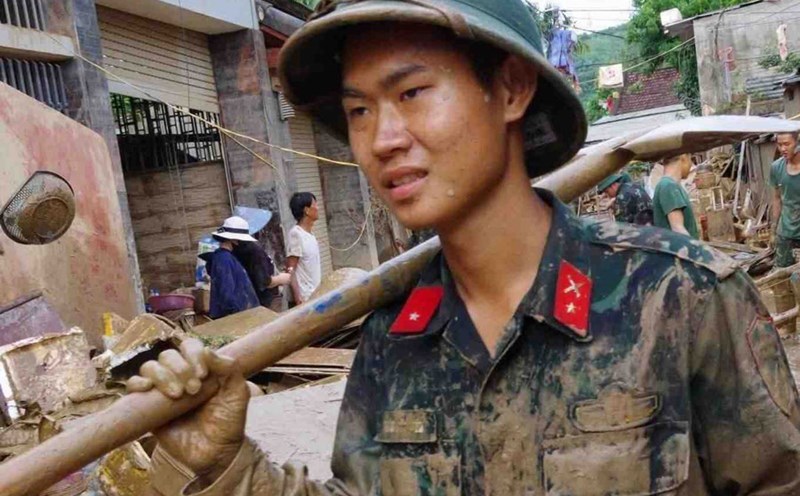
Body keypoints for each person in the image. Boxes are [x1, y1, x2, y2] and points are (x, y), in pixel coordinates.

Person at [131, 1, 800, 494]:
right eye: (360, 109)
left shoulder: (680, 299)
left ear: (510, 88)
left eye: (413, 92)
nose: (381, 138)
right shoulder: (393, 339)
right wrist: (224, 466)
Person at [203, 216, 260, 319]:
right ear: (234, 240)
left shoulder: (227, 258)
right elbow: (226, 294)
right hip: (236, 320)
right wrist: (237, 315)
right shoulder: (223, 259)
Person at [233, 239, 291, 312]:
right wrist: (281, 279)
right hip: (266, 300)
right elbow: (264, 282)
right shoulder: (253, 250)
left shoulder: (234, 251)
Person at [286, 192, 322, 305]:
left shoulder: (310, 234)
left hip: (316, 295)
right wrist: (298, 298)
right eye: (315, 204)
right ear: (307, 210)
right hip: (306, 299)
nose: (318, 208)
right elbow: (290, 269)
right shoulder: (296, 234)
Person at [652, 154, 699, 238]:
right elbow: (678, 229)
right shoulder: (668, 186)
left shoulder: (671, 185)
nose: (691, 164)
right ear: (684, 158)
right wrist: (697, 249)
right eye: (690, 159)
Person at [771, 132, 800, 267]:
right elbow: (777, 199)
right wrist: (773, 231)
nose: (782, 149)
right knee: (781, 275)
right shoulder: (776, 168)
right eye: (779, 144)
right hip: (786, 232)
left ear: (797, 142)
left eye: (787, 144)